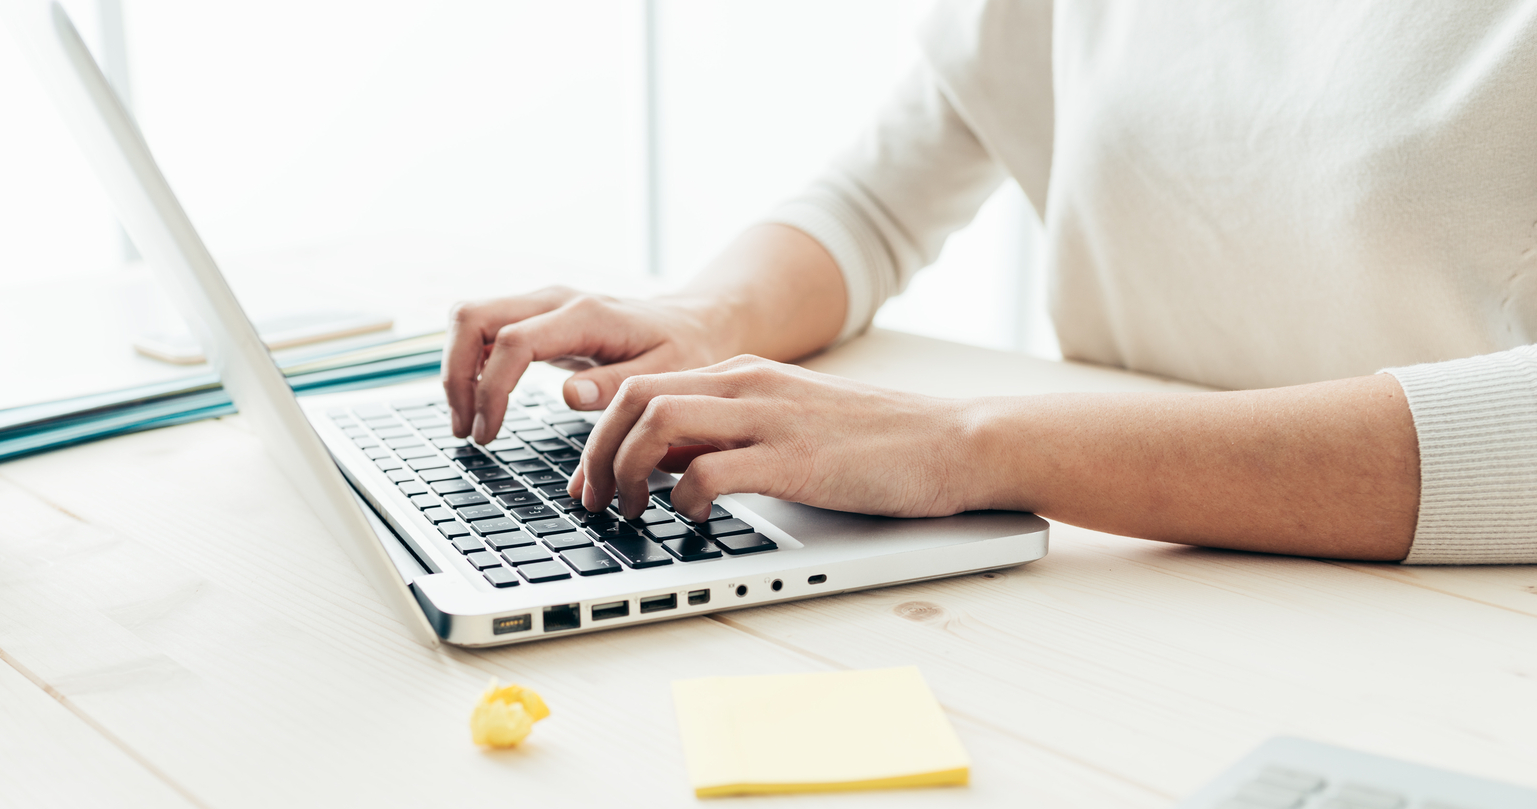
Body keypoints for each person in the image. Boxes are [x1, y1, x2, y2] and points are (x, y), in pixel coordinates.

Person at [440, 1, 1537, 564]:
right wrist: (702, 319)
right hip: (1137, 577)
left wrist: (973, 444)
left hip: (1454, 630)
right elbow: (876, 202)